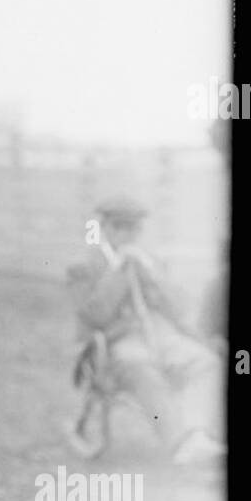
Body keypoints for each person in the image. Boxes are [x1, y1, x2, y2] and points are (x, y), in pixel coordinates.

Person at [66, 195, 224, 464]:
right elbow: (95, 316)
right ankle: (179, 443)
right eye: (119, 227)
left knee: (206, 363)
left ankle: (197, 434)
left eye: (133, 229)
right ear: (105, 228)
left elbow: (178, 306)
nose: (127, 235)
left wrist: (153, 274)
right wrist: (119, 271)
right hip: (116, 341)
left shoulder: (149, 260)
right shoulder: (84, 266)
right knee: (142, 368)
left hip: (161, 334)